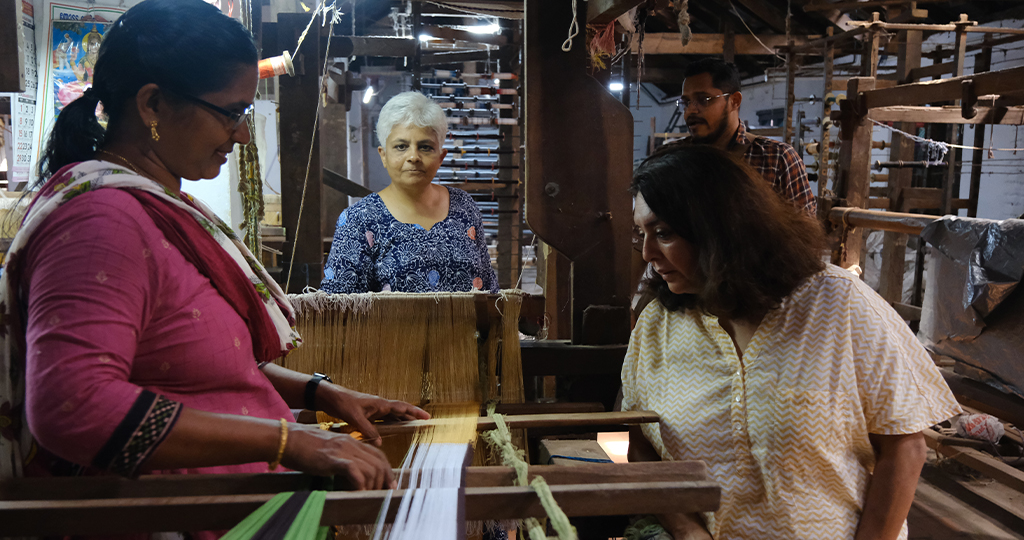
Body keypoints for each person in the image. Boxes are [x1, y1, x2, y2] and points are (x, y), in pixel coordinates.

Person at [0, 0, 428, 504]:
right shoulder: (103, 224)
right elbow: (74, 406)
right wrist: (288, 440)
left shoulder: (157, 209)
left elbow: (195, 359)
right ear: (153, 104)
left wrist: (322, 394)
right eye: (231, 113)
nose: (243, 133)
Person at [623, 145, 961, 540]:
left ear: (718, 228)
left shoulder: (837, 305)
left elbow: (904, 450)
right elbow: (641, 444)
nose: (648, 253)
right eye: (640, 233)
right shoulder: (659, 325)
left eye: (663, 233)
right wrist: (687, 530)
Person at [321, 91, 498, 294]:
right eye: (401, 146)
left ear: (441, 157)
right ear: (384, 155)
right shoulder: (359, 220)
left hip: (467, 327)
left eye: (425, 147)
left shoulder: (464, 207)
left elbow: (488, 289)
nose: (413, 156)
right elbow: (337, 307)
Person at [673, 58, 816, 217]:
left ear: (734, 101)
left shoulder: (777, 159)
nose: (690, 111)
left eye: (703, 100)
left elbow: (805, 237)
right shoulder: (673, 159)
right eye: (686, 103)